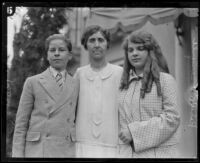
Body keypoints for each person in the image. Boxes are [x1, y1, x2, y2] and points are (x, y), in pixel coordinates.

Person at [12, 34, 78, 157]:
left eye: (61, 50)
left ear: (69, 56)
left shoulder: (76, 83)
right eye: (52, 50)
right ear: (47, 55)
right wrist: (17, 156)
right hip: (39, 150)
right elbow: (21, 124)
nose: (56, 53)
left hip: (67, 150)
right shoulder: (33, 82)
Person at [118, 30, 180, 158]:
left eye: (140, 49)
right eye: (130, 50)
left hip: (158, 154)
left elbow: (172, 118)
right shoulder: (123, 85)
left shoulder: (165, 80)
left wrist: (133, 132)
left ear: (150, 52)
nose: (134, 54)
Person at [74, 25, 123, 158]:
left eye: (101, 40)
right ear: (85, 45)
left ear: (107, 44)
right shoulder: (80, 74)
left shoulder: (119, 73)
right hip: (83, 142)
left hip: (111, 142)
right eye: (92, 40)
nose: (97, 44)